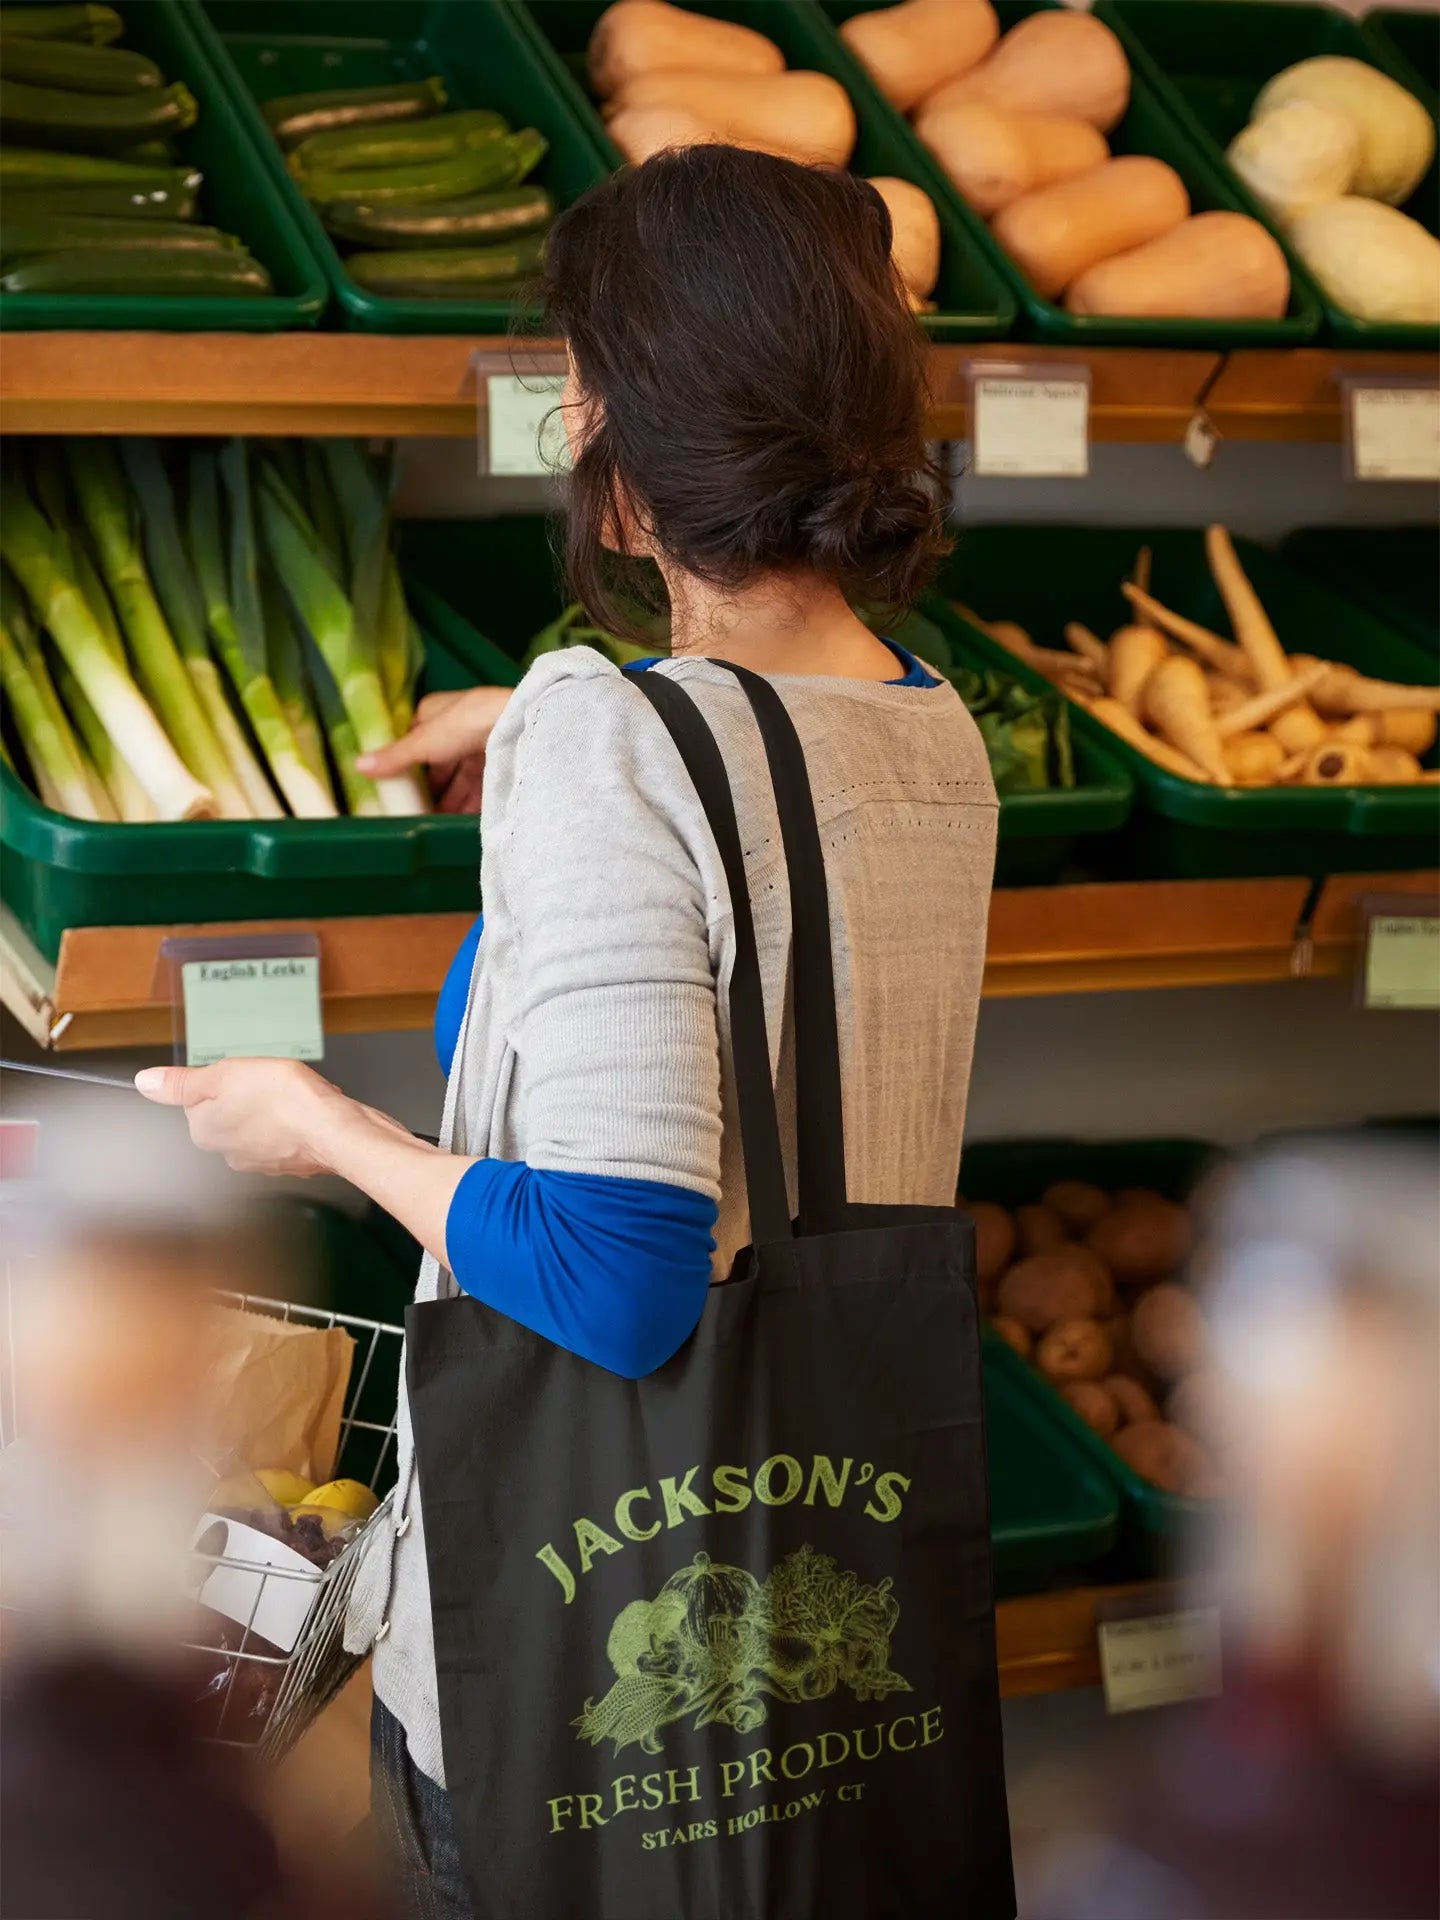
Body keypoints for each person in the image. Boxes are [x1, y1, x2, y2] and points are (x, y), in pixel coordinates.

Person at [138, 144, 999, 1919]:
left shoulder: (602, 735)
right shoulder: (936, 732)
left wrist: (322, 1132)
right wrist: (537, 836)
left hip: (580, 1643)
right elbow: (743, 928)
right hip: (820, 1620)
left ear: (616, 432)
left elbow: (620, 1270)